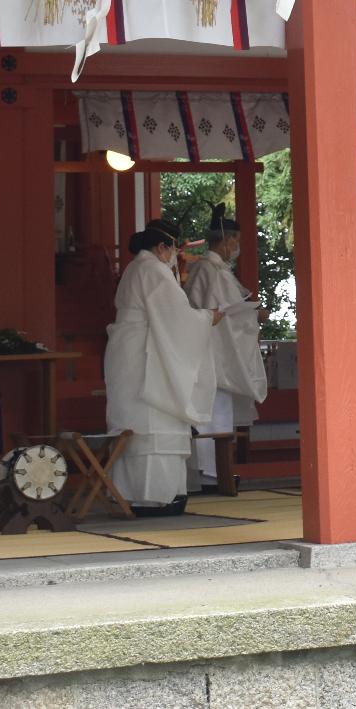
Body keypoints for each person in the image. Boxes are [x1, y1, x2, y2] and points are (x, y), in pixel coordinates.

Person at [107, 223, 222, 515]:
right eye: (173, 250)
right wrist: (208, 318)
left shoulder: (135, 268)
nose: (173, 257)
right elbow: (177, 317)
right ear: (162, 248)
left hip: (127, 352)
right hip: (146, 356)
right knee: (155, 420)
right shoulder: (154, 271)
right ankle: (157, 497)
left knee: (134, 422)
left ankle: (130, 494)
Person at [185, 205, 267, 491]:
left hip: (209, 350)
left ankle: (213, 472)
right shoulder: (211, 270)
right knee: (213, 413)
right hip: (214, 351)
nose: (238, 247)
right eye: (237, 241)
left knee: (216, 413)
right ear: (226, 239)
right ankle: (211, 475)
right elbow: (224, 312)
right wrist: (253, 314)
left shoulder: (210, 270)